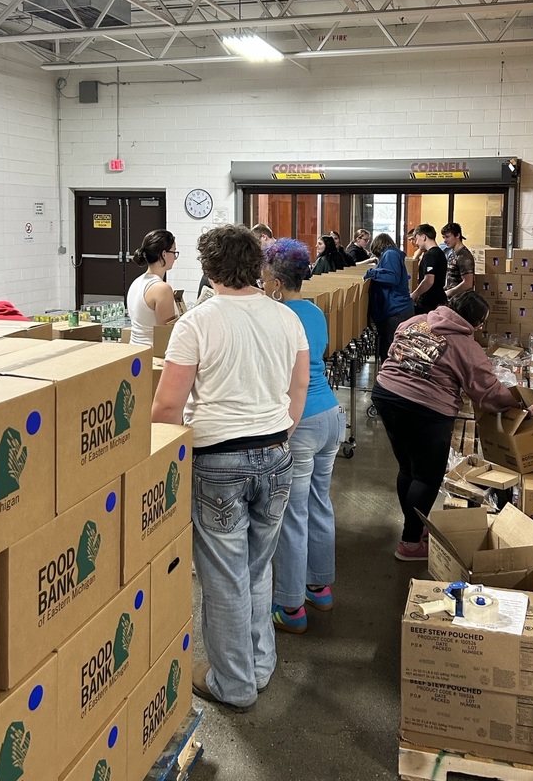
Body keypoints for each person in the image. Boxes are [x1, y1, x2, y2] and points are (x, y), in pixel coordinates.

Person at [152, 224, 309, 712]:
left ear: (209, 268)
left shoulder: (197, 323)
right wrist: (281, 434)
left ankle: (233, 683)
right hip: (276, 455)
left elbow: (167, 407)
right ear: (257, 266)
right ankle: (259, 665)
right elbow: (298, 387)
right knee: (258, 567)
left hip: (218, 461)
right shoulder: (287, 318)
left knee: (223, 578)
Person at [371, 292, 533, 561]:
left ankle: (414, 527)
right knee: (427, 477)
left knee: (408, 468)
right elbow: (487, 390)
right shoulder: (465, 346)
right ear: (476, 323)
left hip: (386, 393)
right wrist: (518, 406)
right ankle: (410, 544)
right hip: (425, 407)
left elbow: (395, 351)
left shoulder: (416, 321)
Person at [261, 238, 346, 635]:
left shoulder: (275, 316)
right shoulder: (314, 311)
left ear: (277, 283)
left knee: (292, 515)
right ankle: (320, 587)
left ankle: (291, 606)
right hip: (331, 415)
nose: (262, 284)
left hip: (302, 421)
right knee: (319, 502)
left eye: (264, 278)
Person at [364, 234, 413, 360]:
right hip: (395, 310)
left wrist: (372, 273)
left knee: (391, 354)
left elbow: (391, 277)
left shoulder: (390, 254)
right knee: (390, 351)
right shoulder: (393, 254)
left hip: (395, 310)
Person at [126, 230, 179, 346]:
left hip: (135, 349)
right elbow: (166, 334)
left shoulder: (136, 282)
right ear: (164, 254)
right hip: (153, 352)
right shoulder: (162, 289)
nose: (175, 258)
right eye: (174, 252)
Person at [410, 224, 448, 315]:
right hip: (439, 299)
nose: (416, 243)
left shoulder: (430, 255)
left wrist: (415, 294)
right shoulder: (440, 253)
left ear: (423, 237)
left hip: (429, 302)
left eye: (417, 239)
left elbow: (429, 280)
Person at [441, 222, 475, 298]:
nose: (445, 240)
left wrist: (449, 292)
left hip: (460, 299)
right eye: (444, 237)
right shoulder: (453, 253)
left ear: (457, 235)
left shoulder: (464, 256)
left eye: (447, 237)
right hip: (452, 298)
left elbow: (468, 283)